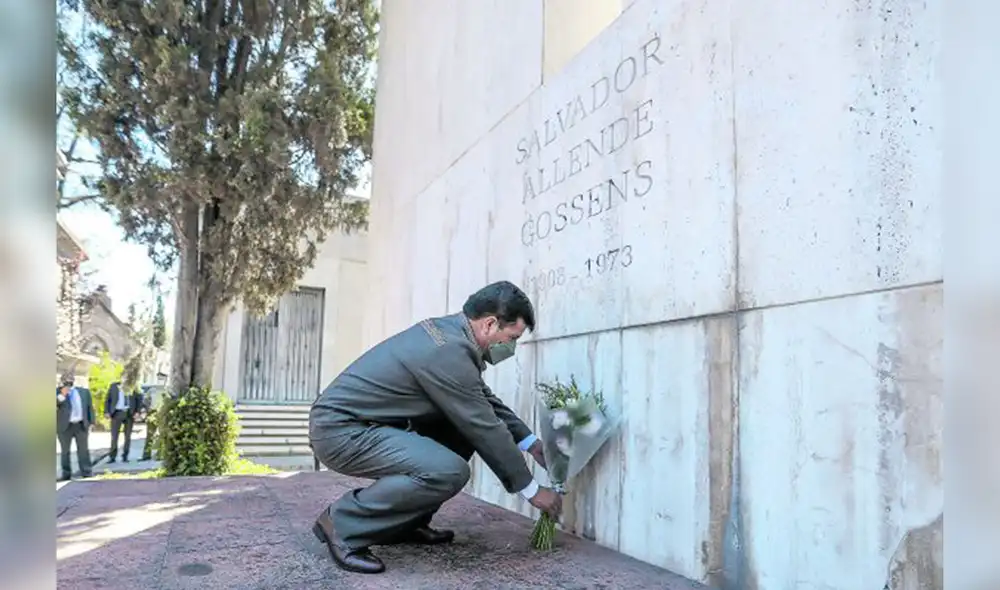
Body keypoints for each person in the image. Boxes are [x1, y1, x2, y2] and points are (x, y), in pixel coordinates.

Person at [309, 281, 562, 574]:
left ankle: (406, 524)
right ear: (490, 324)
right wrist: (531, 490)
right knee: (448, 471)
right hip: (342, 431)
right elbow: (485, 426)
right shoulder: (447, 351)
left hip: (367, 425)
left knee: (459, 432)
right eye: (511, 338)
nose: (511, 348)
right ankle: (341, 524)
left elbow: (484, 402)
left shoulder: (450, 336)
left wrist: (531, 443)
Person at [56, 376, 95, 481]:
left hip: (81, 425)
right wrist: (62, 395)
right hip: (65, 426)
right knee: (65, 451)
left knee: (83, 450)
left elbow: (89, 407)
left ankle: (86, 471)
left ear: (74, 381)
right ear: (62, 382)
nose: (68, 383)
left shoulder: (84, 392)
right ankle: (66, 474)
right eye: (66, 381)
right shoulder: (57, 392)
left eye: (70, 380)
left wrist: (91, 422)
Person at [105, 380, 140, 463]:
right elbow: (108, 399)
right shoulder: (114, 386)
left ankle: (125, 456)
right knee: (114, 436)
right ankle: (112, 456)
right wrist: (106, 411)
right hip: (116, 413)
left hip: (129, 413)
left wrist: (137, 411)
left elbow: (138, 399)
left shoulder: (133, 385)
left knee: (127, 436)